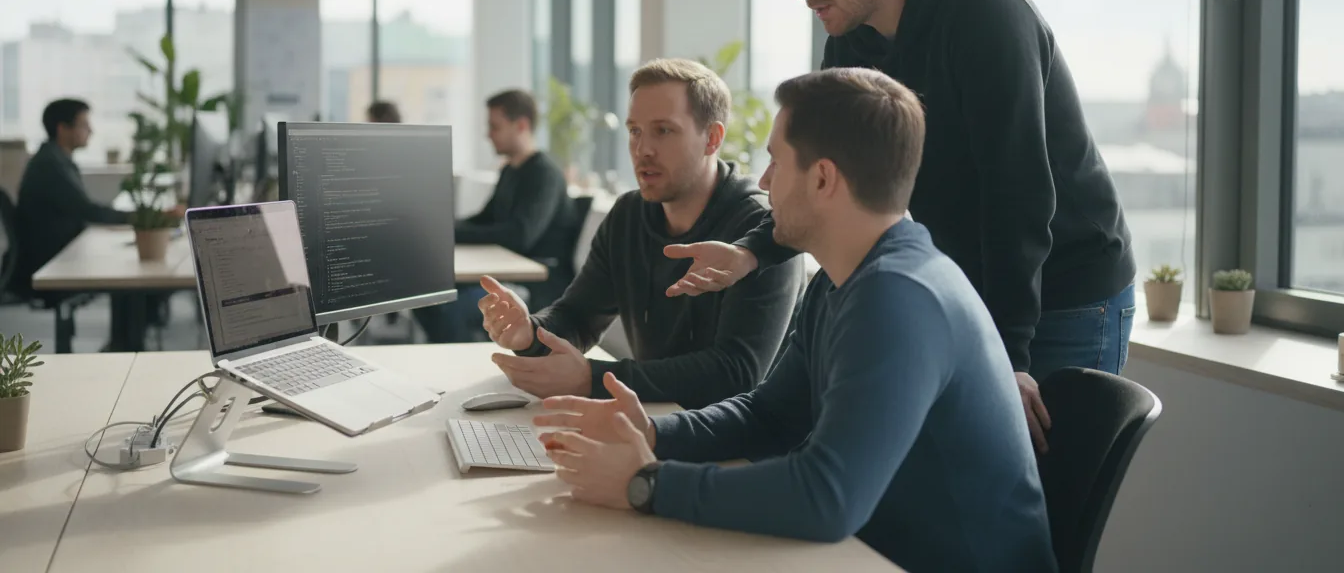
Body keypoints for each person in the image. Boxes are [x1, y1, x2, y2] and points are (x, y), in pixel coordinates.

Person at [665, 0, 1136, 452]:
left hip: (1066, 292)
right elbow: (831, 181)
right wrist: (749, 253)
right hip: (976, 284)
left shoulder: (987, 15)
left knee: (1034, 504)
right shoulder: (848, 38)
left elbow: (1017, 199)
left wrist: (1008, 354)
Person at [535, 68, 1056, 572]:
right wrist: (649, 432)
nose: (763, 182)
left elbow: (826, 497)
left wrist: (645, 482)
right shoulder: (842, 277)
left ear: (824, 179)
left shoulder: (899, 297)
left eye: (776, 163)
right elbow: (770, 415)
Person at [481, 59, 804, 410]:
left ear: (712, 139)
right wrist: (528, 332)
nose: (642, 149)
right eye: (635, 131)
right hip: (652, 422)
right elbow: (578, 316)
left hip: (742, 446)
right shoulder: (628, 215)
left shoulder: (763, 231)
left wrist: (592, 378)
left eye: (663, 131)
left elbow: (736, 373)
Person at [413, 90, 578, 342]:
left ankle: (461, 366)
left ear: (521, 125)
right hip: (506, 275)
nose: (487, 134)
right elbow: (484, 219)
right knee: (425, 292)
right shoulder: (510, 171)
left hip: (540, 286)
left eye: (494, 126)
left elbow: (518, 236)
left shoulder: (544, 175)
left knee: (446, 306)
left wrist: (447, 232)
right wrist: (439, 228)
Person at [12, 99, 184, 292]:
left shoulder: (55, 159)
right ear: (62, 129)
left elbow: (84, 209)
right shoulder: (50, 165)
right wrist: (150, 219)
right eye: (84, 125)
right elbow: (88, 211)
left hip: (61, 249)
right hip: (53, 259)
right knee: (129, 261)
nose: (91, 131)